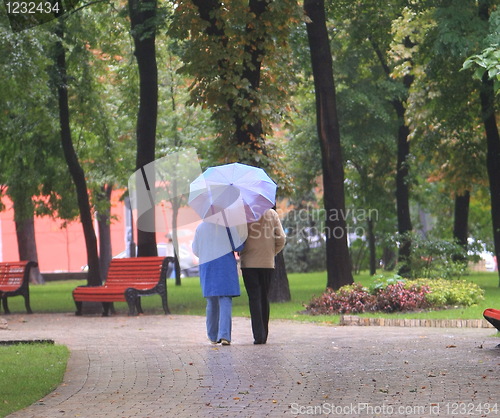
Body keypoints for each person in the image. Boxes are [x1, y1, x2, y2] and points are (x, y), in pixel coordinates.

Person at [192, 221, 245, 346]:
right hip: (224, 265)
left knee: (211, 300)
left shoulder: (200, 227)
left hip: (208, 265)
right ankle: (225, 335)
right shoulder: (228, 226)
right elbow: (238, 247)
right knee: (225, 299)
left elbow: (195, 250)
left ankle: (212, 336)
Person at [239, 208, 286, 344]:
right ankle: (264, 333)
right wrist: (272, 252)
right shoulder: (271, 214)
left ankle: (258, 335)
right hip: (267, 262)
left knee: (254, 298)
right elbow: (281, 238)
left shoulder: (243, 213)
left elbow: (238, 238)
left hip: (248, 263)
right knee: (264, 297)